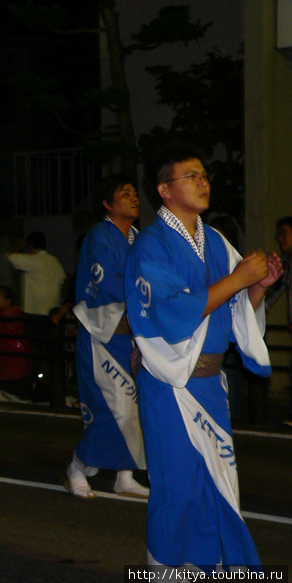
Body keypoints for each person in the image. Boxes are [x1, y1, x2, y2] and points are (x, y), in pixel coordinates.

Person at [125, 143, 281, 568]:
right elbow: (173, 313)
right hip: (171, 382)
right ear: (165, 190)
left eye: (204, 175)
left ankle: (209, 561)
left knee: (216, 482)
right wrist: (237, 280)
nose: (202, 182)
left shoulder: (214, 240)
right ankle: (164, 569)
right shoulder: (151, 245)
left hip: (210, 383)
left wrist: (257, 286)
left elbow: (233, 310)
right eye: (190, 176)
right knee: (177, 483)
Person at [65, 174, 148, 499]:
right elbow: (109, 285)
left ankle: (124, 475)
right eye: (124, 193)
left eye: (134, 193)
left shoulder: (138, 238)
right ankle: (77, 465)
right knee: (112, 408)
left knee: (135, 409)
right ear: (108, 204)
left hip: (131, 337)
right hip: (103, 336)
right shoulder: (100, 237)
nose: (133, 197)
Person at [266, 216, 292, 425]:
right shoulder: (286, 262)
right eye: (279, 235)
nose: (280, 239)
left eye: (284, 233)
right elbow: (274, 290)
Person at [7, 231, 66, 316]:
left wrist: (18, 246)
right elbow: (62, 278)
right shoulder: (54, 260)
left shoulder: (34, 260)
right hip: (53, 310)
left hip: (35, 311)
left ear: (30, 246)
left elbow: (12, 257)